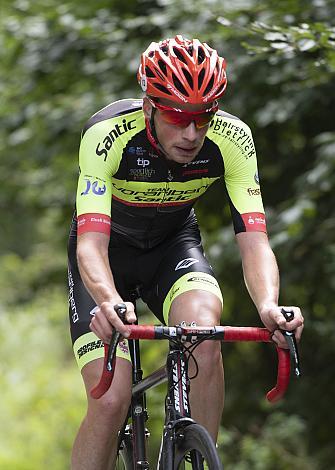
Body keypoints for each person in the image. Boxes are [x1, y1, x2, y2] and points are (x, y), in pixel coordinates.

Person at [67, 35, 304, 469]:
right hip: (107, 258)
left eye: (203, 117)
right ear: (148, 108)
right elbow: (90, 244)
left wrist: (269, 305)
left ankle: (194, 454)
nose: (192, 133)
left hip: (173, 246)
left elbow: (254, 239)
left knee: (204, 339)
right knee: (111, 399)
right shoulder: (107, 134)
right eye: (177, 117)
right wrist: (106, 300)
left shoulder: (233, 139)